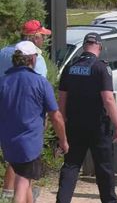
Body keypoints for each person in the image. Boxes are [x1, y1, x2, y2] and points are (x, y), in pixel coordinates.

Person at [56, 32, 117, 203]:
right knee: (104, 168)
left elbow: (62, 98)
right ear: (99, 47)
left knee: (71, 166)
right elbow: (108, 99)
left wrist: (63, 121)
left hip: (74, 124)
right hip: (97, 126)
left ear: (84, 45)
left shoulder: (70, 66)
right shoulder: (101, 67)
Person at [0, 41, 68, 203]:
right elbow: (56, 116)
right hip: (29, 141)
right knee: (22, 181)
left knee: (26, 179)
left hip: (8, 141)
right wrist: (63, 140)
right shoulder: (39, 82)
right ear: (31, 59)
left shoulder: (3, 81)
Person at [0, 19, 52, 200]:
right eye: (41, 36)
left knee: (16, 159)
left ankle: (8, 193)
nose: (43, 41)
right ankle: (14, 196)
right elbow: (40, 89)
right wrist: (45, 118)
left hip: (6, 111)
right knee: (27, 160)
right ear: (33, 37)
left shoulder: (4, 52)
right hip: (30, 115)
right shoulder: (36, 58)